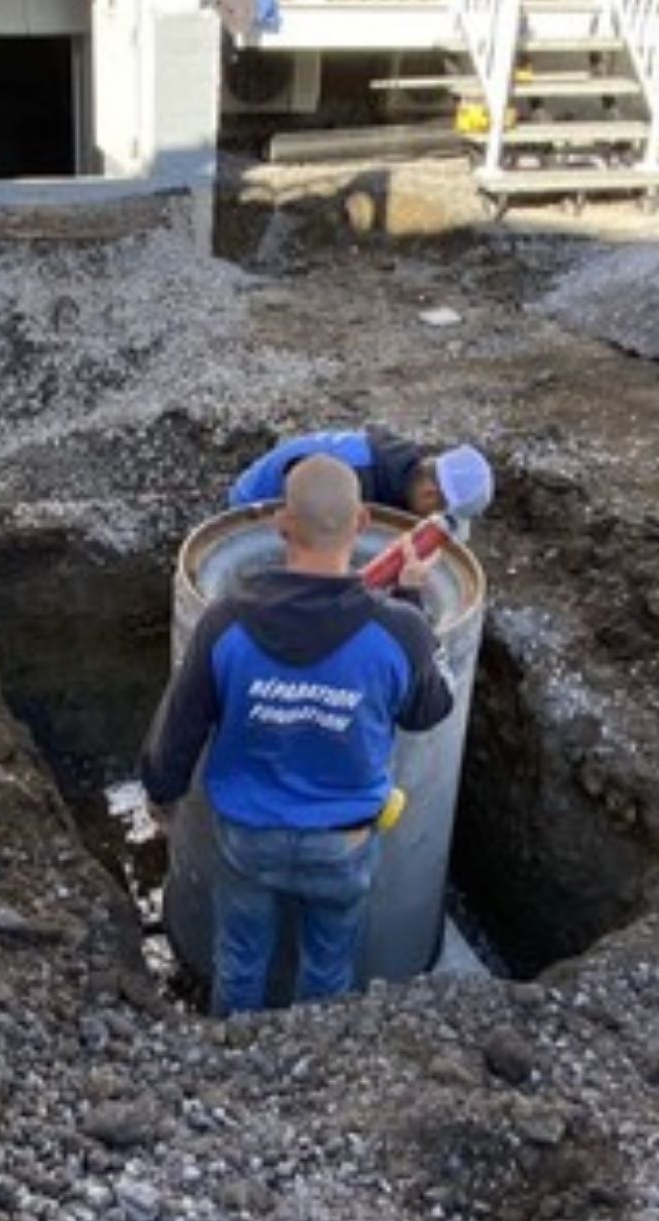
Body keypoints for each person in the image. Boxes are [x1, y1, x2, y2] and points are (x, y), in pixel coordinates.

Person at [139, 455, 455, 1017]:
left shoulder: (225, 624)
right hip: (345, 843)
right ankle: (307, 1070)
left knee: (239, 960)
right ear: (361, 524)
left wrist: (162, 793)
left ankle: (231, 1056)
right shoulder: (398, 631)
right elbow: (428, 710)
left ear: (282, 525)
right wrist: (410, 600)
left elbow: (181, 725)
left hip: (248, 837)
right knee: (328, 967)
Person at [227, 425, 493, 536]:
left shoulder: (398, 465)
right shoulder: (350, 480)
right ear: (430, 495)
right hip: (251, 510)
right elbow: (304, 516)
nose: (430, 520)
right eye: (437, 514)